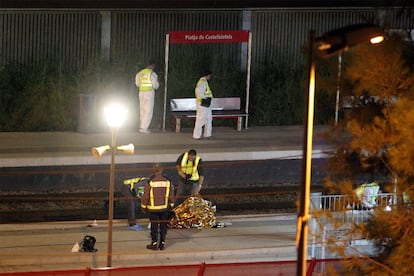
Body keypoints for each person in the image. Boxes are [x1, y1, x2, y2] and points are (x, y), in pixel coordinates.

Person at [141, 163, 175, 250]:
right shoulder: (167, 181)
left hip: (153, 209)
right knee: (163, 225)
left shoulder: (150, 181)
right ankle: (162, 243)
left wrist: (143, 207)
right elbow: (171, 195)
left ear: (153, 170)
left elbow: (146, 196)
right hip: (164, 208)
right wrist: (171, 205)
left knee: (154, 226)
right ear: (162, 170)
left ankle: (154, 242)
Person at [135, 61, 159, 134]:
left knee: (142, 110)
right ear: (152, 65)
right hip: (149, 93)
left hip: (141, 92)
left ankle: (141, 126)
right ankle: (144, 128)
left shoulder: (140, 73)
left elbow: (137, 84)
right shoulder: (152, 74)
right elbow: (155, 85)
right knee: (148, 111)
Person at [193, 70, 213, 140]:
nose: (210, 77)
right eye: (210, 76)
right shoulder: (202, 82)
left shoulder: (204, 82)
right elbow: (199, 92)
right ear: (207, 75)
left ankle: (207, 134)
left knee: (208, 119)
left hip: (205, 103)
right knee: (201, 119)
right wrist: (205, 98)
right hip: (203, 103)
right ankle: (197, 135)